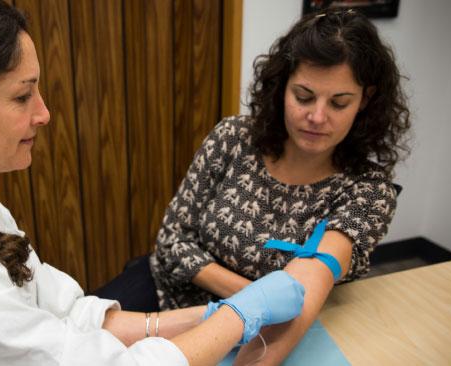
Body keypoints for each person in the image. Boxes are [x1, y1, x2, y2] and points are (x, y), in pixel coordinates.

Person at [0, 1, 305, 365]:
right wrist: (237, 316)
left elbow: (66, 315)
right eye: (23, 96)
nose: (44, 113)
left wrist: (200, 318)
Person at [144, 8, 410, 365]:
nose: (317, 117)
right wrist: (258, 302)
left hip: (278, 330)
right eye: (303, 96)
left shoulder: (367, 191)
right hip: (177, 296)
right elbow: (173, 242)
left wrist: (253, 311)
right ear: (282, 86)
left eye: (338, 103)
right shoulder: (232, 139)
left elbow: (311, 282)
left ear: (364, 100)